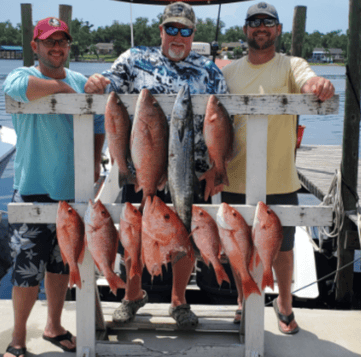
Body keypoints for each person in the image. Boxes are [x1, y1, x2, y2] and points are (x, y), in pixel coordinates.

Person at [85, 2, 228, 329]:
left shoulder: (209, 70)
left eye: (186, 30)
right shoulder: (134, 59)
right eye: (172, 28)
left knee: (184, 236)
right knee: (134, 234)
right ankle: (131, 295)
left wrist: (218, 169)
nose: (178, 36)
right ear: (161, 30)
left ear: (193, 34)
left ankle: (179, 301)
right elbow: (108, 86)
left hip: (191, 172)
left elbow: (224, 122)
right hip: (141, 168)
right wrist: (95, 83)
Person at [221, 2, 335, 334]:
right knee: (238, 246)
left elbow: (308, 82)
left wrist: (319, 87)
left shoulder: (291, 64)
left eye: (268, 22)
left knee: (283, 248)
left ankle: (284, 304)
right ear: (245, 30)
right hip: (235, 176)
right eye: (254, 22)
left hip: (282, 177)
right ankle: (244, 300)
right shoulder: (228, 72)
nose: (261, 27)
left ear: (279, 29)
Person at [2, 17, 105, 357]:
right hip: (31, 190)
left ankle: (54, 326)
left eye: (62, 42)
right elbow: (19, 91)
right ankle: (18, 338)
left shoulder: (82, 82)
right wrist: (62, 90)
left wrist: (94, 162)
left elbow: (99, 123)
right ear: (35, 46)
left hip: (72, 193)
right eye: (49, 42)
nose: (56, 48)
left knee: (63, 265)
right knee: (26, 268)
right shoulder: (20, 76)